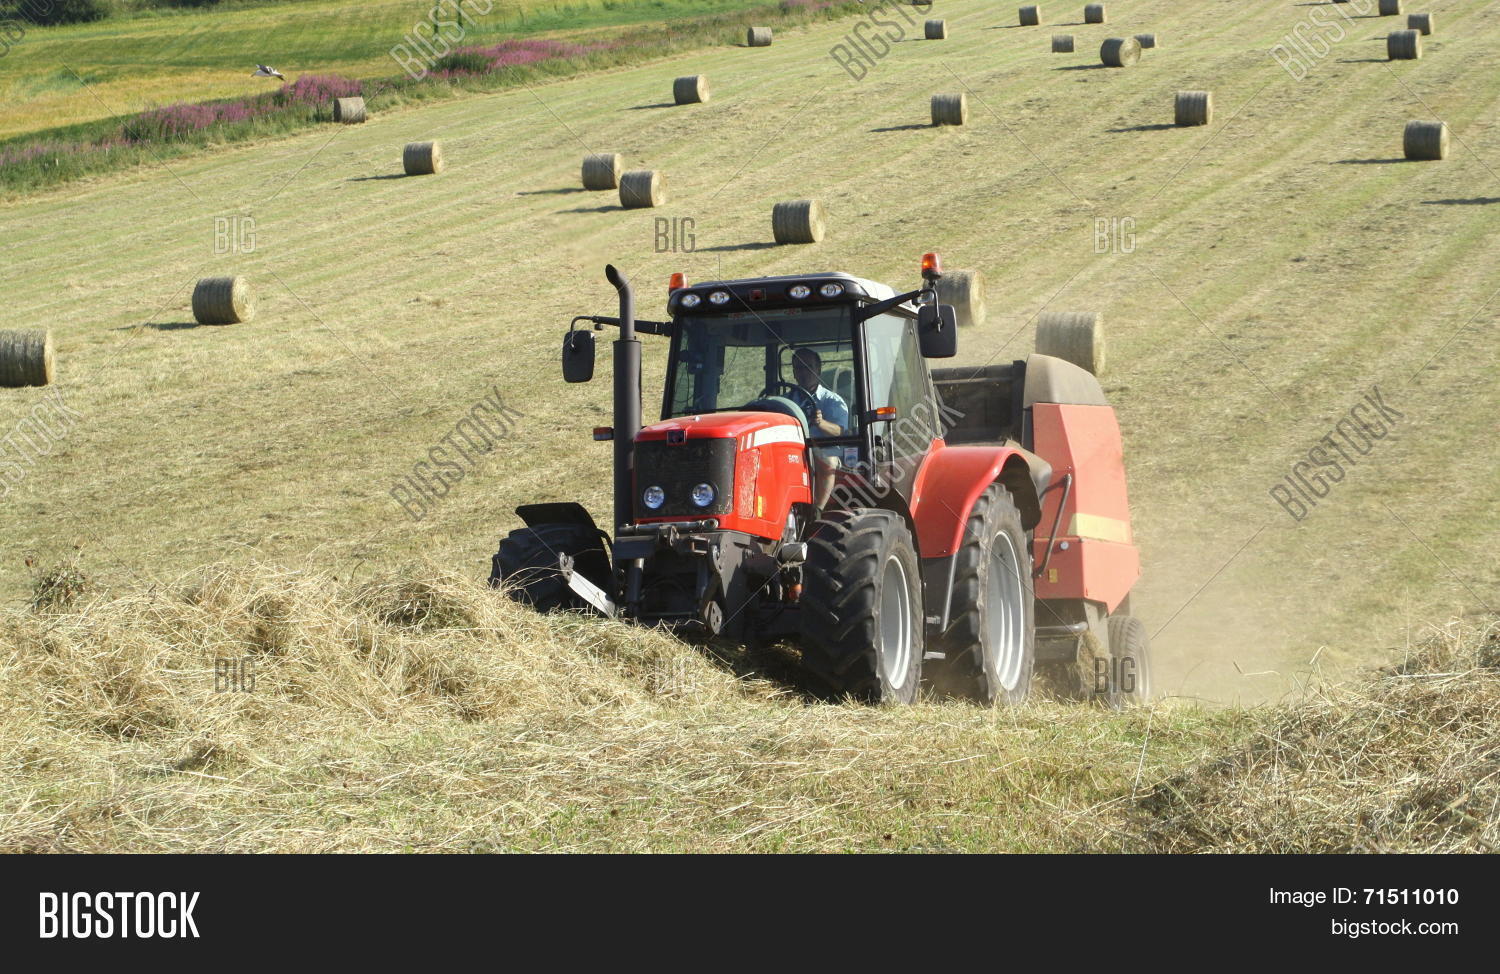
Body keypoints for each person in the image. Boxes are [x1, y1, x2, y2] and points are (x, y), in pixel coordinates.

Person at [790, 347, 849, 511]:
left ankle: (817, 510)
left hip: (823, 450)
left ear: (818, 370)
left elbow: (840, 431)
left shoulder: (833, 401)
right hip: (793, 451)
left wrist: (821, 423)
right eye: (799, 368)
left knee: (827, 460)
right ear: (794, 373)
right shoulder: (785, 401)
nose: (804, 372)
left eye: (808, 367)